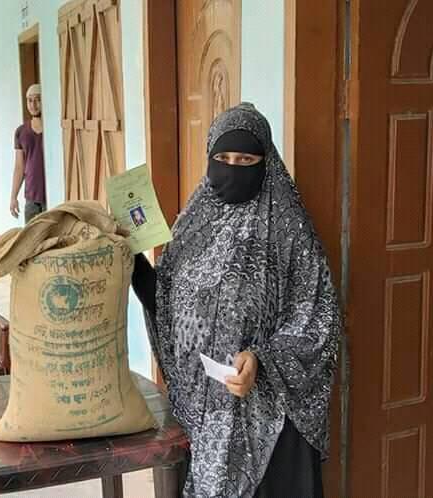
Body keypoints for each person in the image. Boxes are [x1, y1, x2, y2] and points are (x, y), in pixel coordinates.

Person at [131, 103, 341, 497]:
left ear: (267, 163)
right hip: (208, 417)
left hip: (272, 426)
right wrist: (131, 261)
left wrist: (262, 360)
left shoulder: (290, 232)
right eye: (222, 158)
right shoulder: (193, 224)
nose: (232, 167)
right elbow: (167, 303)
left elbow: (318, 321)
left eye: (246, 159)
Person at [10, 84, 47, 222]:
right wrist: (13, 197)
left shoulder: (53, 127)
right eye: (30, 100)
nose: (33, 104)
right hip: (31, 197)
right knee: (31, 240)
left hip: (51, 195)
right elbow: (19, 167)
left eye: (38, 99)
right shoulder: (21, 132)